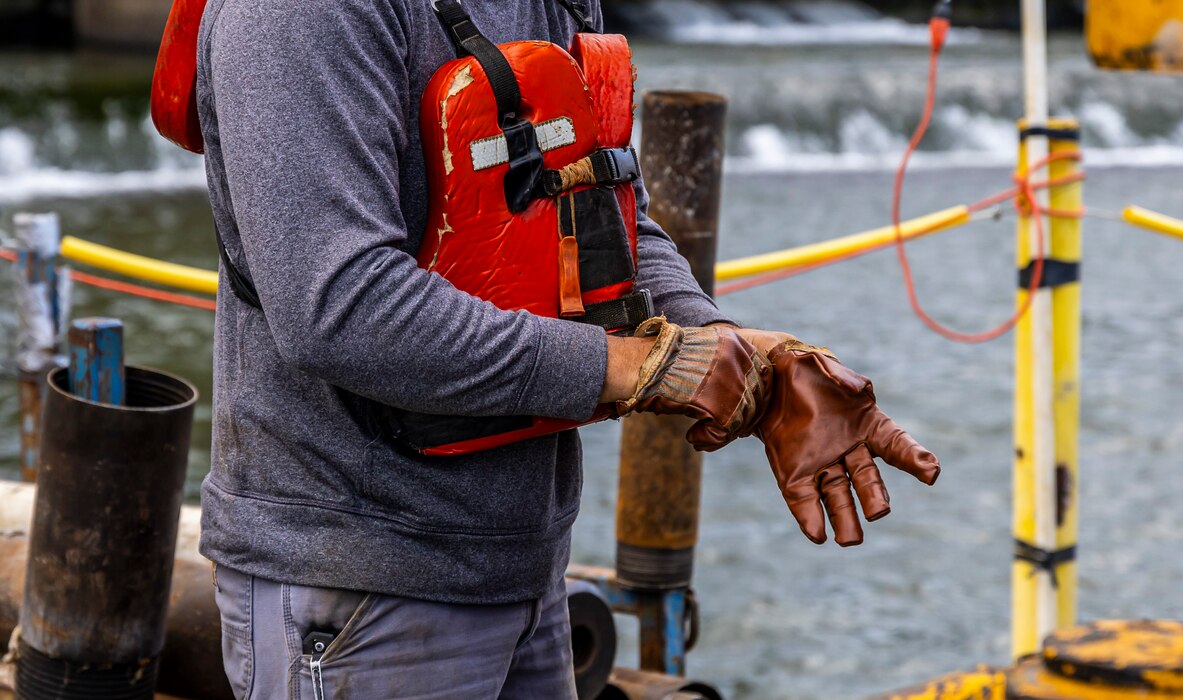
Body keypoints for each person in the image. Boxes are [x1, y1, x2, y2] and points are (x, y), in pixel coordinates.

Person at [194, 0, 939, 698]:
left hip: (529, 570)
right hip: (354, 586)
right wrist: (640, 370)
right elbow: (340, 307)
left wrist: (738, 358)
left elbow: (605, 217)